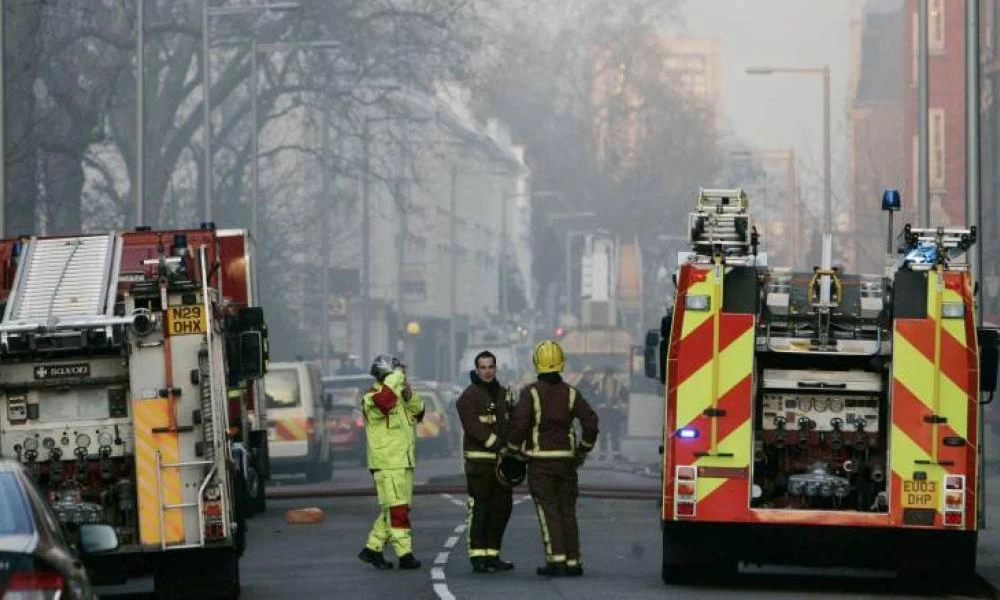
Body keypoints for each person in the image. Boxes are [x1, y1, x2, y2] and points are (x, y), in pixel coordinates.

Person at [507, 340, 599, 577]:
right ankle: (573, 561)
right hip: (566, 463)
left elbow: (518, 425)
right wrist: (582, 450)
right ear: (561, 364)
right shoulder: (571, 393)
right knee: (567, 510)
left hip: (540, 463)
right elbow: (591, 422)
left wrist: (513, 450)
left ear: (537, 364)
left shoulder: (531, 393)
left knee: (549, 511)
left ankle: (556, 560)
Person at [358, 354, 425, 570]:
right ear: (388, 373)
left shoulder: (396, 393)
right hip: (387, 462)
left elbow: (420, 412)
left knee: (397, 509)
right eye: (397, 371)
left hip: (403, 461)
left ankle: (373, 548)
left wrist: (409, 395)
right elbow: (384, 402)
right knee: (397, 510)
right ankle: (405, 554)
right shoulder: (373, 396)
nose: (402, 374)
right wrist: (396, 376)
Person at [455, 351, 515, 573]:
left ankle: (492, 555)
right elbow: (473, 426)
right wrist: (497, 443)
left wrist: (515, 448)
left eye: (491, 367)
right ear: (477, 369)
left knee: (502, 509)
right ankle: (478, 557)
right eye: (483, 367)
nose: (487, 371)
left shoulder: (504, 394)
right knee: (482, 509)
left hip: (501, 465)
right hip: (480, 465)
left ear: (495, 368)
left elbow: (514, 421)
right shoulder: (469, 396)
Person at [595, 366, 628, 462]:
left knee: (606, 433)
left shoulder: (599, 383)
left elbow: (595, 397)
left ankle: (604, 454)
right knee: (612, 433)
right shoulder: (618, 384)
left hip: (606, 411)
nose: (610, 377)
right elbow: (625, 397)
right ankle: (614, 454)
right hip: (610, 411)